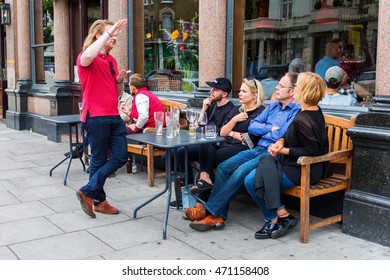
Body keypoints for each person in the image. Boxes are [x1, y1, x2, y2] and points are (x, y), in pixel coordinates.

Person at [186, 72, 301, 231]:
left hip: (273, 153)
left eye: (281, 85)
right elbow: (253, 125)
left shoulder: (296, 111)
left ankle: (211, 212)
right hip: (258, 148)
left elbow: (282, 133)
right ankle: (218, 216)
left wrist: (265, 130)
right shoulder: (273, 106)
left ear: (292, 90)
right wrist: (269, 128)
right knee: (223, 167)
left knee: (240, 173)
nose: (276, 87)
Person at [244, 71, 330, 239]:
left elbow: (314, 151)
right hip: (290, 162)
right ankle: (280, 215)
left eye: (297, 86)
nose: (294, 89)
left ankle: (275, 218)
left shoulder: (303, 119)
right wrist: (281, 142)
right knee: (260, 166)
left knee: (252, 180)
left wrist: (285, 150)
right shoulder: (307, 110)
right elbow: (290, 134)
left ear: (304, 90)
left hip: (303, 168)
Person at [76, 19, 129, 218]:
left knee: (120, 157)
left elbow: (117, 92)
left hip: (113, 115)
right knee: (98, 160)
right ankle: (99, 201)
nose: (114, 37)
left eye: (115, 34)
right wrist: (110, 32)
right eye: (110, 34)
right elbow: (88, 55)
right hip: (96, 116)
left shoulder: (111, 60)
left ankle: (88, 191)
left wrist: (119, 81)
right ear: (99, 35)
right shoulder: (87, 56)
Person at [164, 77, 235, 208]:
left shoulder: (231, 110)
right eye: (211, 89)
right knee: (172, 154)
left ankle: (189, 195)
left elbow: (221, 133)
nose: (211, 91)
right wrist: (203, 109)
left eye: (215, 89)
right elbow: (196, 126)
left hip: (215, 147)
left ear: (224, 94)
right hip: (202, 143)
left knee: (179, 152)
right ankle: (188, 191)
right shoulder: (211, 106)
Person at [191, 78, 265, 195]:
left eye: (244, 92)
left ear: (255, 95)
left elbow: (248, 139)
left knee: (207, 160)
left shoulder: (261, 112)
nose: (239, 94)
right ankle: (204, 179)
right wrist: (234, 120)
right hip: (225, 143)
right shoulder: (236, 110)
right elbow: (222, 132)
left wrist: (232, 132)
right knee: (206, 142)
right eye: (240, 91)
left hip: (241, 149)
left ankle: (201, 202)